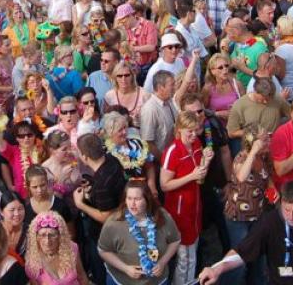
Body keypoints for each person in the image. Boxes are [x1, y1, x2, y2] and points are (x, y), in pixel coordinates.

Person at [198, 181, 293, 285]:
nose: (291, 217)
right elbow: (242, 251)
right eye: (286, 210)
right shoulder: (270, 222)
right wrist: (217, 269)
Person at [160, 110, 213, 283]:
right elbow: (164, 185)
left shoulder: (197, 144)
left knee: (190, 255)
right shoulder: (173, 151)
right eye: (189, 131)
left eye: (196, 130)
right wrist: (191, 176)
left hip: (194, 209)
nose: (193, 134)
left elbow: (200, 178)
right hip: (179, 212)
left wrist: (206, 160)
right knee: (186, 258)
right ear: (179, 130)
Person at [97, 179, 180, 285]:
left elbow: (175, 241)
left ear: (147, 199)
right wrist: (125, 268)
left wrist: (162, 262)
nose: (132, 204)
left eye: (137, 199)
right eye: (129, 198)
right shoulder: (114, 223)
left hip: (157, 282)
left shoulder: (162, 217)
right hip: (122, 282)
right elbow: (103, 250)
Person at [222, 124, 274, 285]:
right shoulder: (241, 158)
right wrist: (253, 152)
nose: (268, 141)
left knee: (258, 255)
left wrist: (273, 192)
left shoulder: (264, 156)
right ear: (253, 142)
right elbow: (241, 176)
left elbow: (267, 178)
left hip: (257, 214)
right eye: (264, 139)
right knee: (240, 258)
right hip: (239, 217)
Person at [72, 134, 125, 285]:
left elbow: (106, 216)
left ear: (84, 156)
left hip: (105, 235)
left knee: (102, 270)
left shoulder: (103, 183)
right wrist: (92, 186)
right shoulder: (111, 160)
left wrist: (80, 204)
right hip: (119, 220)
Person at [25, 211, 88, 285]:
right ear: (36, 237)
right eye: (42, 235)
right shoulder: (32, 264)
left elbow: (82, 276)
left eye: (52, 235)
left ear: (60, 236)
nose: (47, 241)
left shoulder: (71, 248)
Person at [0, 191, 27, 260]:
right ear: (1, 212)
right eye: (12, 210)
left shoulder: (30, 232)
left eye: (20, 209)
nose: (17, 214)